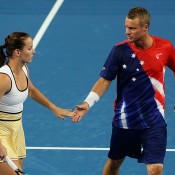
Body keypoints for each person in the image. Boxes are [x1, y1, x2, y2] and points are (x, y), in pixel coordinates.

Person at [72, 6, 175, 175]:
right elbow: (105, 80)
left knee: (156, 168)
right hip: (125, 120)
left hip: (154, 120)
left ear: (145, 27)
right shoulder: (120, 51)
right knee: (114, 163)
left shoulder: (165, 47)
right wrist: (87, 103)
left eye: (132, 28)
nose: (127, 32)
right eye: (126, 27)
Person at [0, 32, 75, 175]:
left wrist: (54, 108)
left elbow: (31, 90)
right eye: (29, 48)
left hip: (16, 130)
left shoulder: (24, 69)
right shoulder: (4, 78)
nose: (34, 51)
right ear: (17, 52)